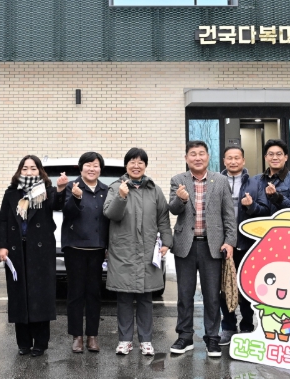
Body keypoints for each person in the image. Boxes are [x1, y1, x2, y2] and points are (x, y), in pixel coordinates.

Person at [168, 141, 236, 357]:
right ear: (186, 158)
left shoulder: (220, 180)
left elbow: (228, 214)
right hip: (185, 245)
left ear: (208, 156)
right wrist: (181, 200)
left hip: (212, 245)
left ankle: (212, 338)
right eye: (193, 154)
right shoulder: (178, 180)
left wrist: (230, 241)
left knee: (212, 295)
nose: (197, 158)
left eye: (201, 154)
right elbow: (173, 209)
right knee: (184, 294)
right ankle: (185, 336)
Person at [103, 148, 172, 356]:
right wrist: (121, 197)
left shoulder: (154, 190)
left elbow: (163, 218)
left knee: (145, 299)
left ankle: (146, 340)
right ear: (126, 165)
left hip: (148, 251)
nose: (136, 166)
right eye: (132, 162)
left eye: (140, 162)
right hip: (123, 251)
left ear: (145, 166)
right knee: (124, 298)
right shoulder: (116, 187)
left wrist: (166, 242)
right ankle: (125, 340)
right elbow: (110, 214)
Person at [0, 155, 67, 357]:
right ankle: (23, 343)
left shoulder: (46, 191)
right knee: (19, 296)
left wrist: (61, 189)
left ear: (40, 171)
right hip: (16, 249)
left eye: (33, 168)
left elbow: (58, 205)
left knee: (40, 296)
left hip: (40, 251)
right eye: (25, 168)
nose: (29, 172)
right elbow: (3, 221)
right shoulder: (11, 193)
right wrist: (2, 246)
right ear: (19, 171)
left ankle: (41, 343)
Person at [218, 146, 269, 346]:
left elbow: (265, 211)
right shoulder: (217, 181)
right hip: (222, 244)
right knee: (224, 287)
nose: (233, 161)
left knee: (247, 287)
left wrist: (251, 206)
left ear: (243, 160)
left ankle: (247, 325)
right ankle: (228, 327)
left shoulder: (256, 183)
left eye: (237, 158)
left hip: (247, 245)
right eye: (229, 158)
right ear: (224, 161)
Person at [62, 152, 109, 353]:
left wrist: (108, 245)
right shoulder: (72, 187)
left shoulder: (105, 190)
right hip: (75, 248)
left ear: (100, 169)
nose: (92, 169)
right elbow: (67, 212)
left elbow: (109, 219)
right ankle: (77, 336)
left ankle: (92, 335)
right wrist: (76, 197)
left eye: (96, 165)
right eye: (88, 165)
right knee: (75, 293)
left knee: (94, 293)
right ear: (81, 168)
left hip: (97, 248)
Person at [256, 139, 290, 213]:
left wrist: (276, 196)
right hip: (261, 221)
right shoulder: (257, 179)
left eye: (279, 154)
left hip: (282, 221)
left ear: (286, 157)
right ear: (265, 158)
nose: (275, 158)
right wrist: (250, 206)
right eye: (271, 154)